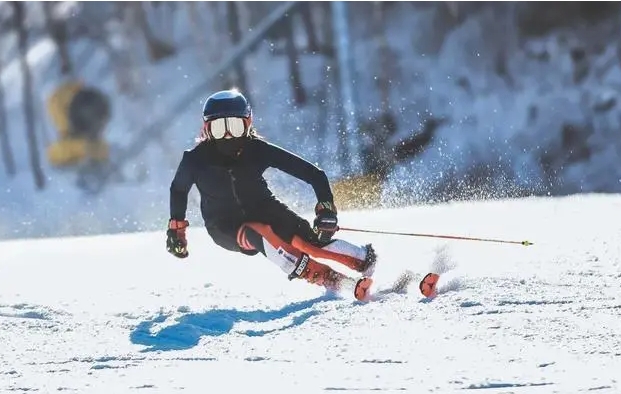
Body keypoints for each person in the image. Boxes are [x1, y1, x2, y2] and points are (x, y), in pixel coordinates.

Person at [165, 89, 377, 301]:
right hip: (224, 226)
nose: (228, 135)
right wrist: (177, 230)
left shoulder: (257, 150)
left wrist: (326, 209)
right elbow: (179, 189)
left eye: (235, 127)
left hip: (266, 210)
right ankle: (329, 279)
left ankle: (365, 260)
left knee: (311, 242)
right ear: (207, 129)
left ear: (248, 123)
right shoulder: (195, 160)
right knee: (258, 233)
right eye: (220, 128)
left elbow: (315, 175)